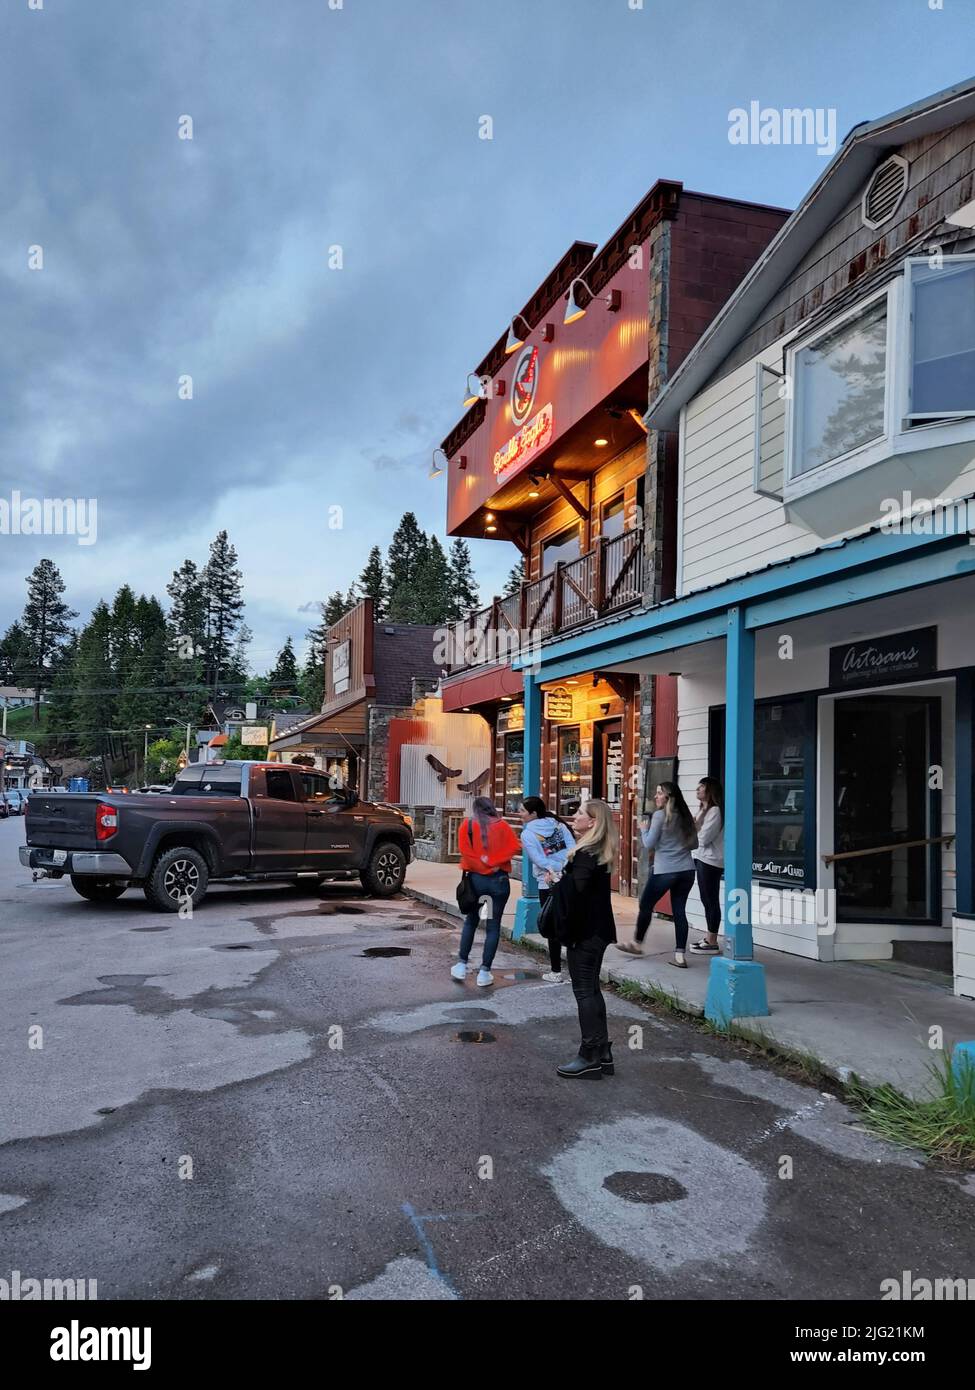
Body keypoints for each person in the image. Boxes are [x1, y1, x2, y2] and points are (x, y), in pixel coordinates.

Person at [551, 800, 618, 1079]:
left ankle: (589, 1055)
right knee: (592, 990)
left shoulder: (584, 853)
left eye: (580, 813)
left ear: (592, 822)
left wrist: (558, 879)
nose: (574, 816)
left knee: (584, 992)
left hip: (585, 932)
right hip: (598, 930)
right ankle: (602, 1052)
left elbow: (576, 895)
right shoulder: (598, 851)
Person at [617, 782, 697, 968]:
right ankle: (679, 955)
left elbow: (649, 843)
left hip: (665, 870)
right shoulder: (685, 817)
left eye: (659, 793)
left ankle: (637, 944)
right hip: (686, 870)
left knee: (645, 904)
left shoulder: (660, 816)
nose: (655, 796)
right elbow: (695, 845)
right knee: (679, 912)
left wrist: (644, 829)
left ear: (668, 797)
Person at [453, 796, 521, 987]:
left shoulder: (466, 826)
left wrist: (483, 865)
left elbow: (466, 853)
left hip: (476, 882)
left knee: (472, 921)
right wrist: (494, 863)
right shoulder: (502, 826)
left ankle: (461, 964)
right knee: (492, 926)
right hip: (498, 883)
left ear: (475, 809)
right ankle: (484, 972)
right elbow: (515, 846)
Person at [519, 796, 575, 983]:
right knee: (570, 922)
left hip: (547, 881)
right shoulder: (558, 824)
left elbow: (538, 859)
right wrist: (564, 866)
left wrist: (552, 869)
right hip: (568, 877)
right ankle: (576, 969)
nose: (519, 814)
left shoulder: (527, 834)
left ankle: (556, 971)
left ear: (533, 813)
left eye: (522, 811)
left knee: (552, 926)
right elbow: (572, 847)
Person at [691, 777, 724, 954]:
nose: (697, 790)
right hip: (701, 858)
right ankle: (708, 936)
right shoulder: (703, 810)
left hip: (711, 860)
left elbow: (703, 838)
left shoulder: (715, 811)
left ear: (709, 791)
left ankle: (712, 940)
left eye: (701, 787)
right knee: (705, 899)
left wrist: (694, 829)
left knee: (711, 899)